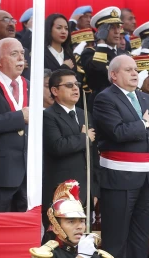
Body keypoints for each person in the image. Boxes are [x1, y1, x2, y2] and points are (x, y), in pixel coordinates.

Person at [92, 54, 149, 258]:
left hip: (146, 178)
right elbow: (117, 132)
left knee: (139, 239)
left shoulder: (146, 99)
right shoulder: (105, 99)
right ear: (114, 75)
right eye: (129, 70)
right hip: (119, 177)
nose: (135, 74)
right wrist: (143, 123)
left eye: (136, 70)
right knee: (117, 238)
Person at [43, 69, 97, 232]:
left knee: (83, 243)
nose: (75, 88)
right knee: (58, 243)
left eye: (77, 84)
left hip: (84, 193)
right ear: (54, 91)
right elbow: (57, 146)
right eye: (69, 85)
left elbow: (92, 156)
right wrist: (83, 138)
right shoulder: (48, 116)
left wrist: (94, 190)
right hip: (61, 193)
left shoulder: (83, 114)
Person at [0, 37, 28, 212]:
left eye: (22, 53)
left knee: (24, 234)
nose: (20, 58)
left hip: (28, 176)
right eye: (14, 54)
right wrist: (19, 117)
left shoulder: (29, 86)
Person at [79, 7, 121, 99]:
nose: (117, 31)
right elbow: (97, 71)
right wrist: (101, 41)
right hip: (102, 102)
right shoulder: (89, 53)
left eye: (118, 27)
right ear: (102, 31)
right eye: (111, 28)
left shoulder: (125, 54)